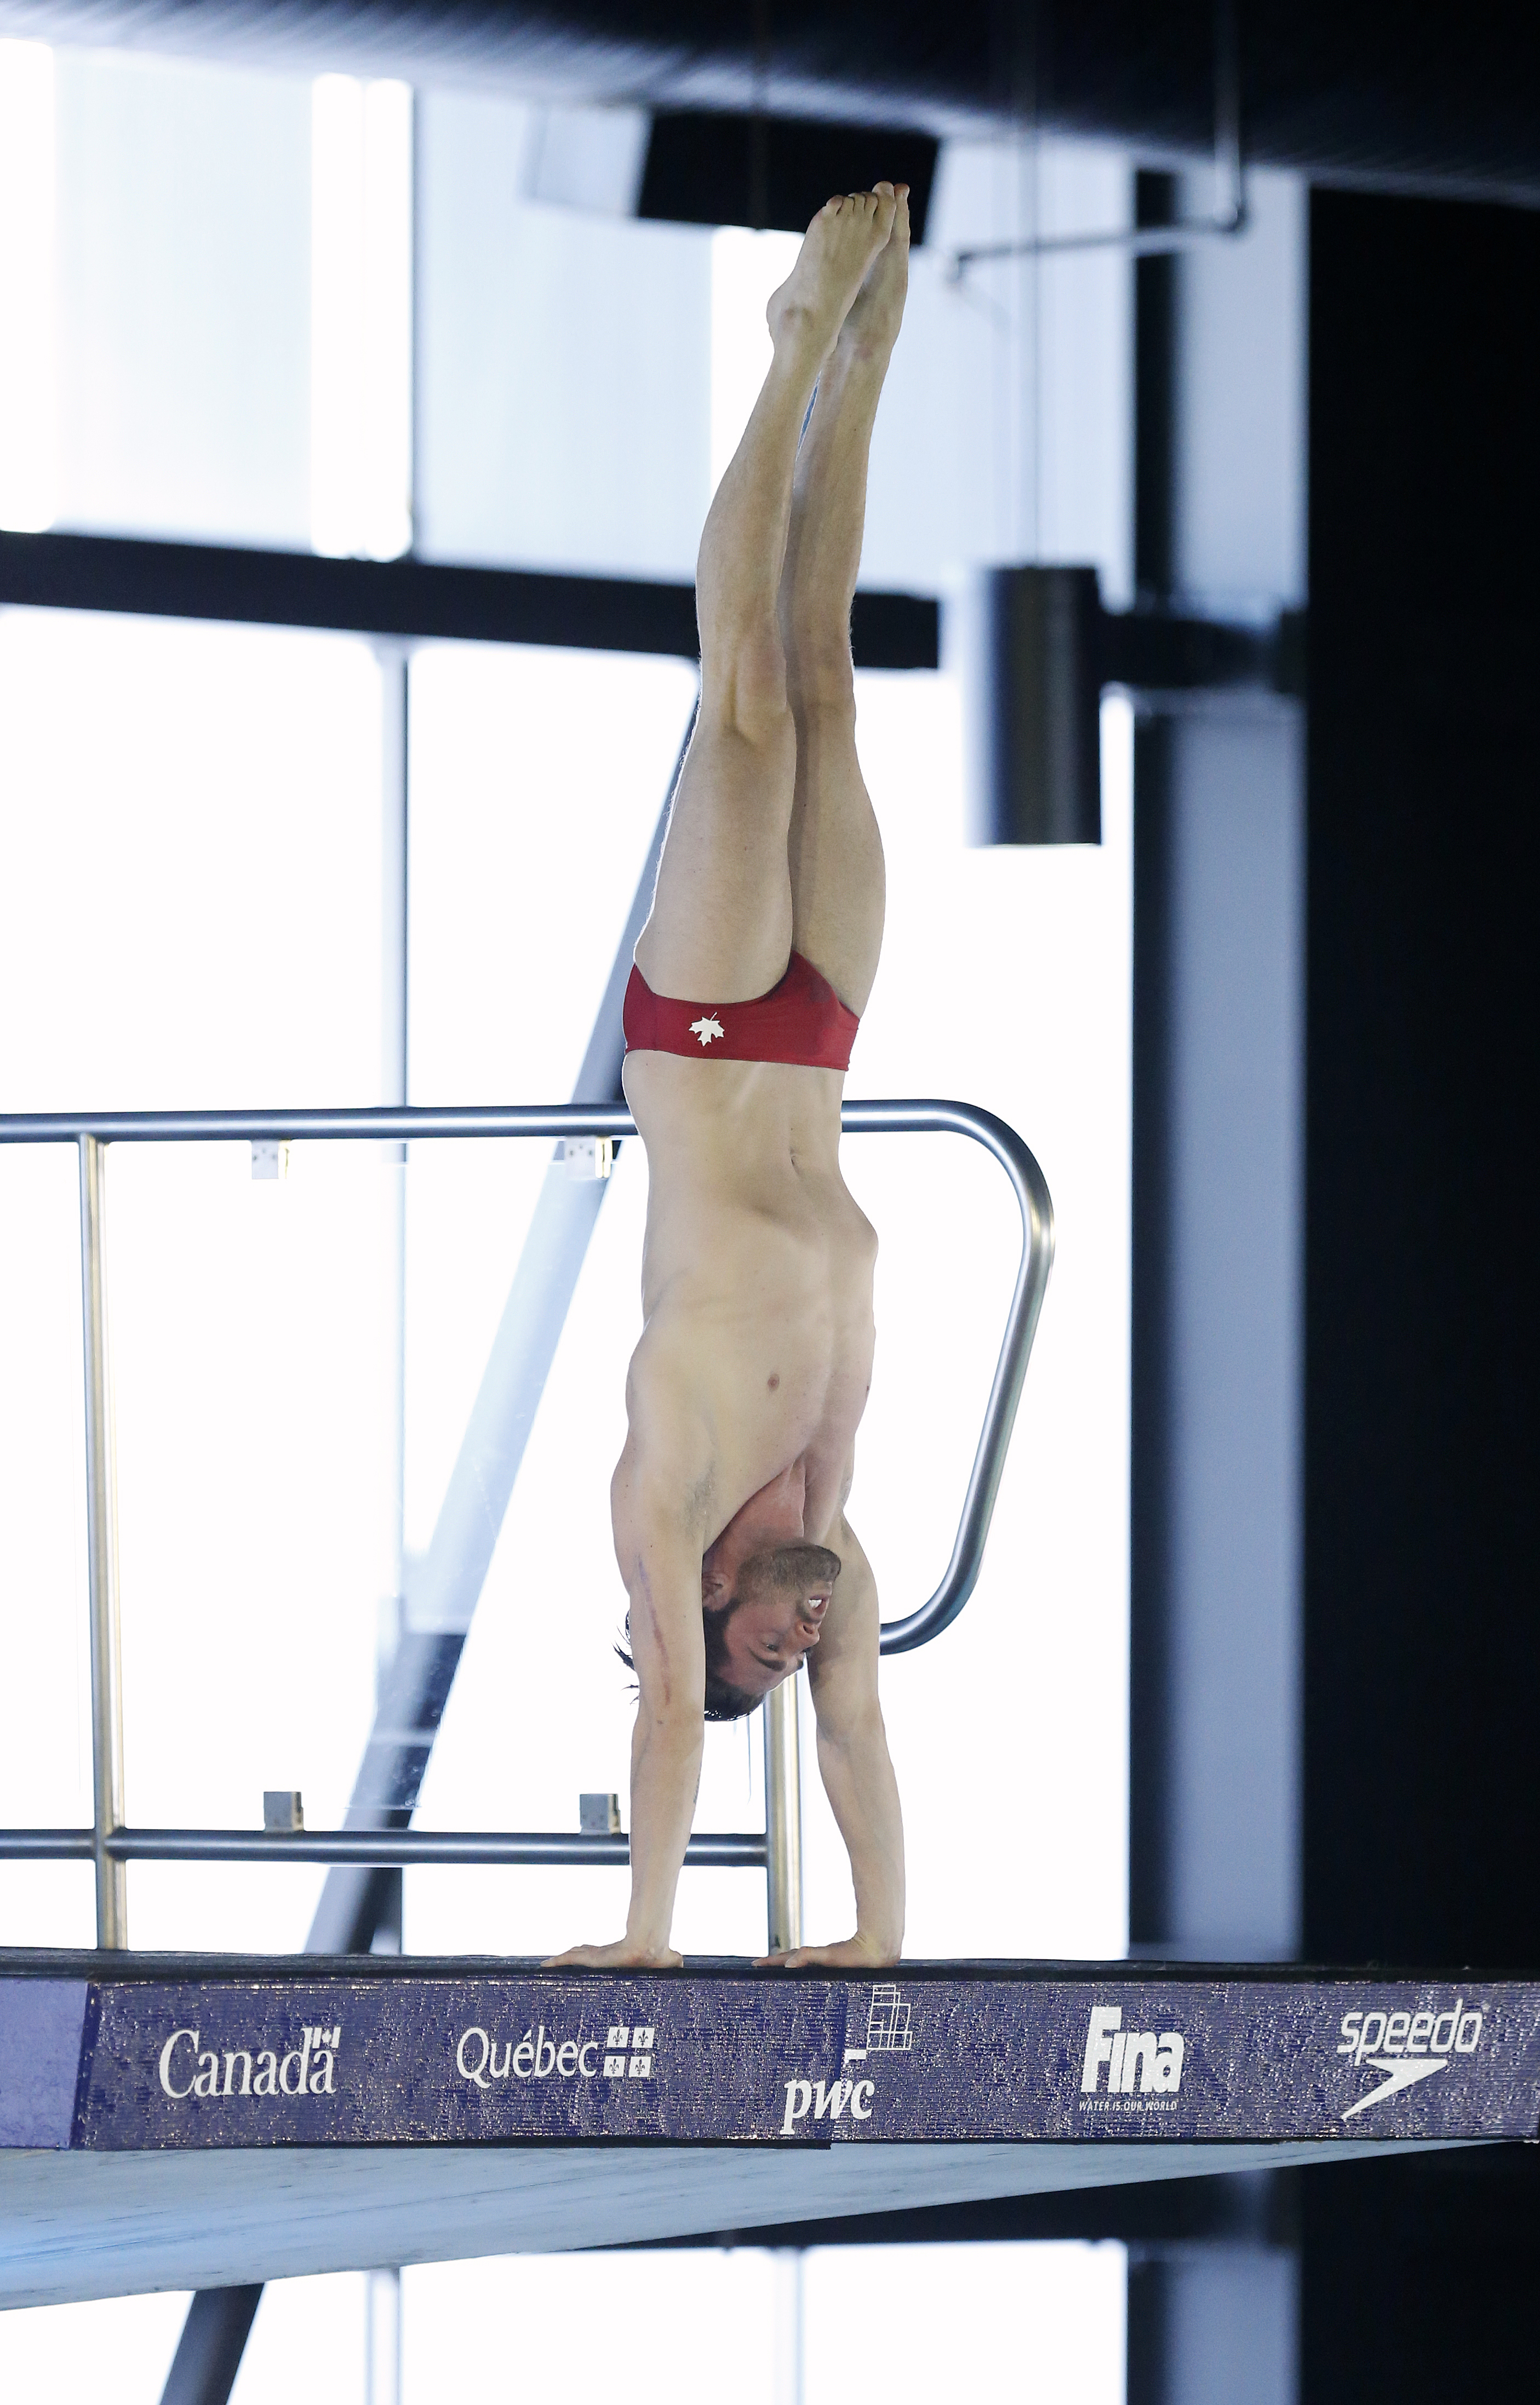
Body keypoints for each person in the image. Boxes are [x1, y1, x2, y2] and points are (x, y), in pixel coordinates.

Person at [547, 185, 913, 1975]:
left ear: (699, 1607)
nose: (804, 1651)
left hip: (698, 1044)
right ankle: (862, 367)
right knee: (834, 680)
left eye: (758, 1652)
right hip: (822, 1045)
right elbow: (853, 1735)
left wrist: (648, 1936)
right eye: (793, 1658)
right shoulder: (829, 1525)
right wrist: (875, 1939)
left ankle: (786, 351)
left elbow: (673, 1722)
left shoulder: (671, 1491)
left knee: (750, 694)